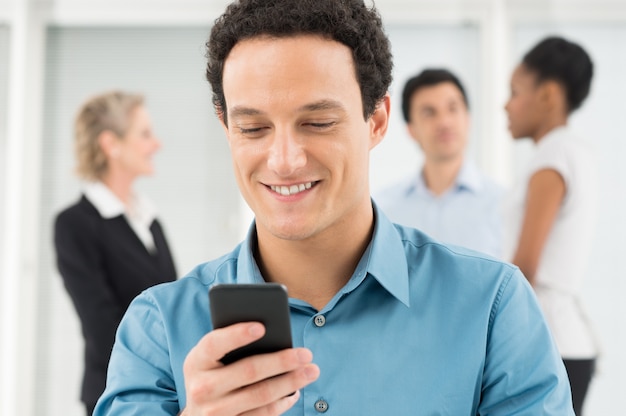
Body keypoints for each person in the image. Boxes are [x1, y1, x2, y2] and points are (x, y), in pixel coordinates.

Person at [95, 1, 574, 415]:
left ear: (377, 120)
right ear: (226, 128)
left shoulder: (492, 307)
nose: (284, 161)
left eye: (318, 122)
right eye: (253, 128)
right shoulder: (157, 327)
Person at [54, 90, 178, 415]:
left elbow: (171, 303)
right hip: (115, 392)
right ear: (112, 144)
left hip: (167, 389)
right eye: (145, 134)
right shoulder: (75, 224)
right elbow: (100, 323)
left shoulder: (149, 219)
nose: (157, 145)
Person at [504, 36, 598, 415]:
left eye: (515, 91)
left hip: (550, 342)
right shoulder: (575, 151)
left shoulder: (554, 155)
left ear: (548, 95)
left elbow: (524, 267)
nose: (505, 104)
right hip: (565, 339)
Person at [374, 69, 503, 257]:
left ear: (467, 119)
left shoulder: (503, 205)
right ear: (411, 130)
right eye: (429, 113)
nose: (444, 122)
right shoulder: (384, 210)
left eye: (453, 109)